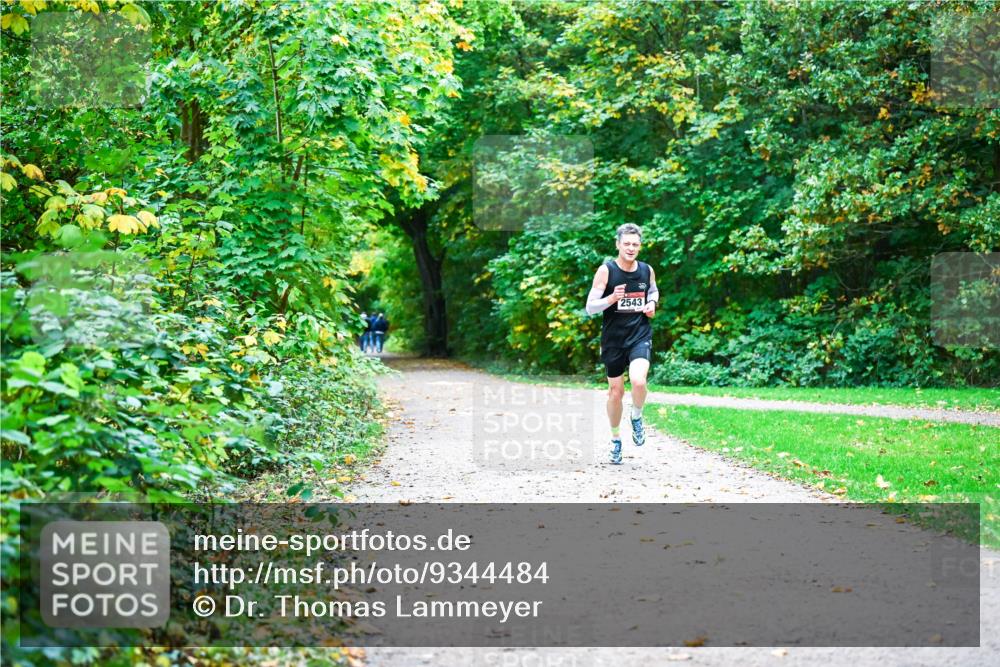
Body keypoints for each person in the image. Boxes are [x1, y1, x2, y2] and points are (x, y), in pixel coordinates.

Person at [584, 223, 659, 465]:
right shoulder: (606, 271)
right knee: (615, 393)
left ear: (640, 246)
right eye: (626, 243)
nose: (631, 248)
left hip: (639, 335)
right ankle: (616, 440)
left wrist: (652, 304)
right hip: (613, 341)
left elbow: (653, 292)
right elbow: (590, 307)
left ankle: (636, 416)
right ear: (618, 244)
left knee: (639, 381)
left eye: (635, 244)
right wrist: (611, 298)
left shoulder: (646, 270)